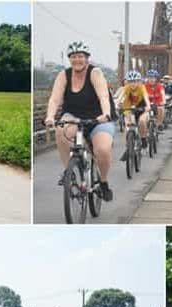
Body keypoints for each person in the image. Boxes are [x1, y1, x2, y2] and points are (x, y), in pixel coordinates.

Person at [44, 42, 115, 201]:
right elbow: (55, 99)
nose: (77, 60)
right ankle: (68, 172)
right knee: (61, 129)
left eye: (81, 56)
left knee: (102, 150)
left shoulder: (95, 73)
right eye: (74, 57)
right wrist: (50, 116)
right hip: (73, 116)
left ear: (87, 58)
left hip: (98, 117)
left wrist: (106, 114)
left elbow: (103, 96)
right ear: (70, 59)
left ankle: (103, 182)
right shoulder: (64, 75)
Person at [118, 69, 151, 160]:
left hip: (142, 107)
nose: (133, 84)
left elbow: (146, 97)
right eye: (131, 81)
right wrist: (117, 104)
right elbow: (120, 97)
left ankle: (144, 141)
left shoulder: (142, 87)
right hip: (129, 107)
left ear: (139, 81)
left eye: (135, 81)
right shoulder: (126, 88)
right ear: (128, 82)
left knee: (141, 121)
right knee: (127, 125)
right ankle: (128, 146)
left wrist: (148, 106)